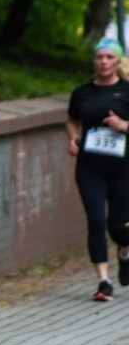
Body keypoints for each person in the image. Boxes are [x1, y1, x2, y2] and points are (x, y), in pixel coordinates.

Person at [65, 37, 129, 301]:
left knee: (119, 226)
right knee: (95, 220)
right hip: (90, 166)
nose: (103, 62)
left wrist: (124, 127)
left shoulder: (127, 91)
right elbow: (72, 119)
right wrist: (72, 137)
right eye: (99, 57)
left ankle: (125, 251)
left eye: (109, 57)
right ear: (94, 61)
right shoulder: (82, 92)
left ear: (117, 61)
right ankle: (103, 281)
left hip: (122, 168)